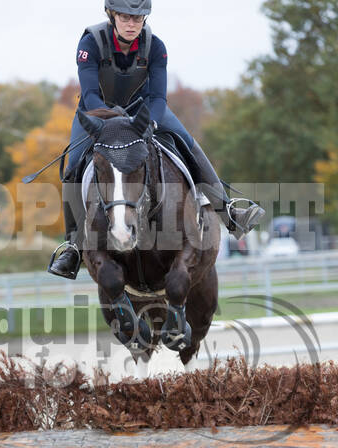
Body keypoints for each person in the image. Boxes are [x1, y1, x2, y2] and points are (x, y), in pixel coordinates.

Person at [49, 0, 265, 279]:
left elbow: (159, 97)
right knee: (74, 163)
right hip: (99, 112)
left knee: (187, 142)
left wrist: (147, 122)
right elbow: (90, 95)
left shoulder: (156, 46)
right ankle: (73, 245)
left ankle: (229, 211)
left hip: (145, 110)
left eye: (138, 18)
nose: (132, 24)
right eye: (126, 17)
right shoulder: (90, 43)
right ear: (112, 15)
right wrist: (114, 121)